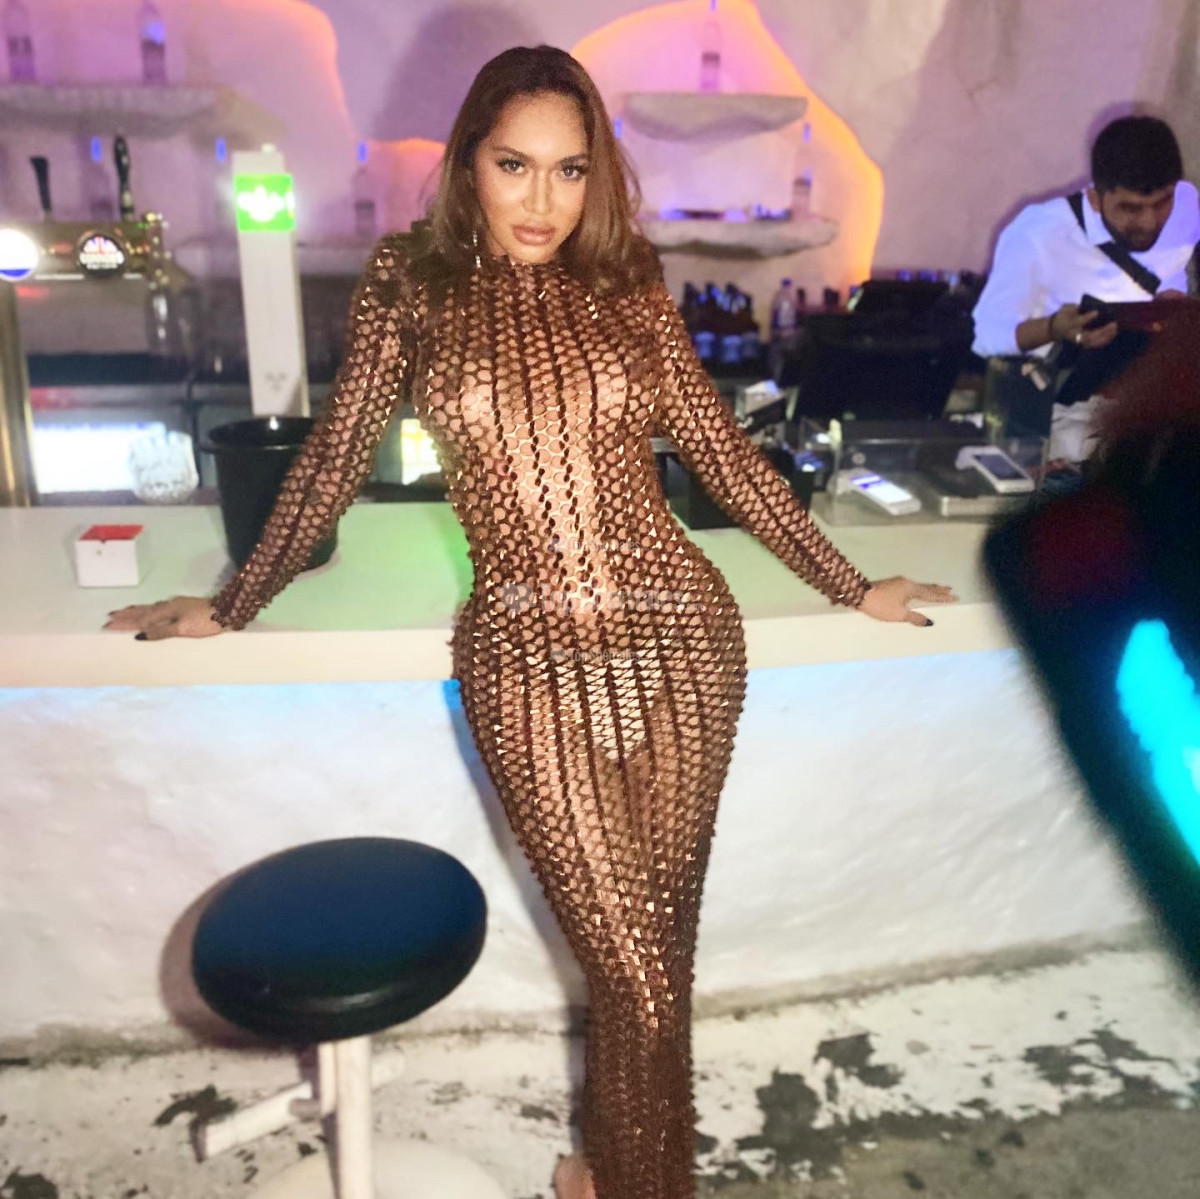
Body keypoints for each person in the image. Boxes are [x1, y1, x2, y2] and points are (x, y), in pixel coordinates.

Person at [105, 46, 955, 1199]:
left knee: (654, 969)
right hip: (525, 657)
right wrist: (233, 600)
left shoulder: (628, 280)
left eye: (569, 168)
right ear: (470, 161)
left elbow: (720, 453)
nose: (543, 200)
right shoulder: (412, 281)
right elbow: (336, 455)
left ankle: (605, 1170)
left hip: (680, 643)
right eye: (515, 165)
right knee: (638, 975)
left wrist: (851, 583)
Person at [971, 115, 1200, 463]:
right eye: (1130, 208)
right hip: (1054, 417)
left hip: (1143, 406)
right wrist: (1054, 328)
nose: (1150, 221)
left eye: (1161, 203)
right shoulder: (1038, 233)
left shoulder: (1186, 205)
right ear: (1095, 198)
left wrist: (1170, 308)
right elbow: (986, 337)